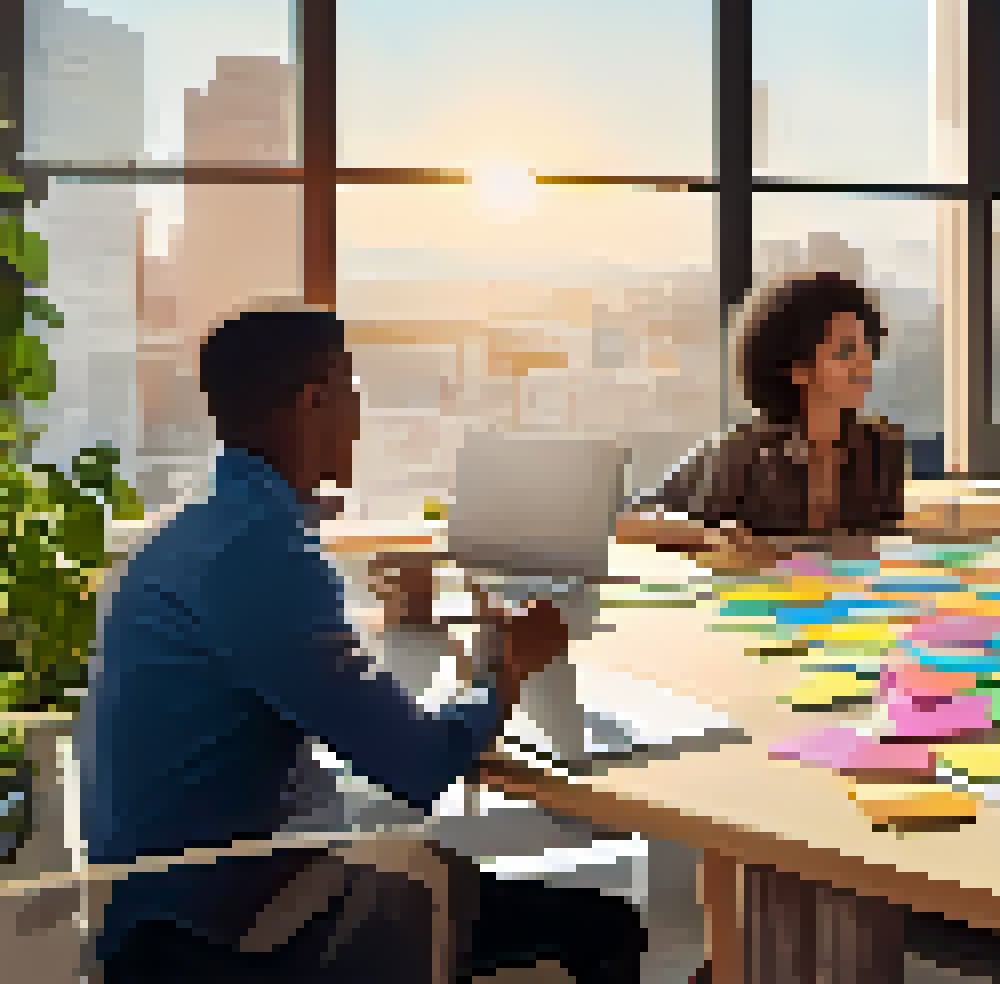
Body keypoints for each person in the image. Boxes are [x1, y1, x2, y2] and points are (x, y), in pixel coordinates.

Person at [86, 305, 646, 983]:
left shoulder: (198, 528)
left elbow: (289, 678)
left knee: (445, 867)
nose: (358, 414)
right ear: (315, 398)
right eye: (352, 391)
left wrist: (402, 627)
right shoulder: (259, 553)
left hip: (158, 910)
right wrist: (510, 663)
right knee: (608, 926)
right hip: (223, 937)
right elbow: (422, 767)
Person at [619, 272, 908, 563]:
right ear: (798, 368)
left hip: (848, 602)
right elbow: (627, 521)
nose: (864, 363)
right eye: (846, 352)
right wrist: (710, 538)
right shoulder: (742, 450)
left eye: (865, 348)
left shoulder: (881, 446)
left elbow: (884, 545)